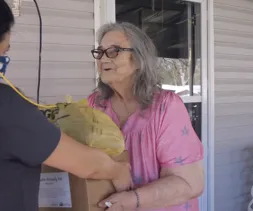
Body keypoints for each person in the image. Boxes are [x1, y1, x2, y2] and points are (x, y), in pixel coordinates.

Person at [0, 1, 132, 211]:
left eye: (114, 52)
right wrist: (117, 170)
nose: (4, 58)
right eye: (3, 53)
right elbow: (87, 165)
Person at [88, 22, 205, 211]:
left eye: (114, 51)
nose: (103, 59)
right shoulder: (94, 104)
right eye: (100, 52)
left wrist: (131, 201)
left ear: (138, 58)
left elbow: (190, 183)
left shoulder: (165, 107)